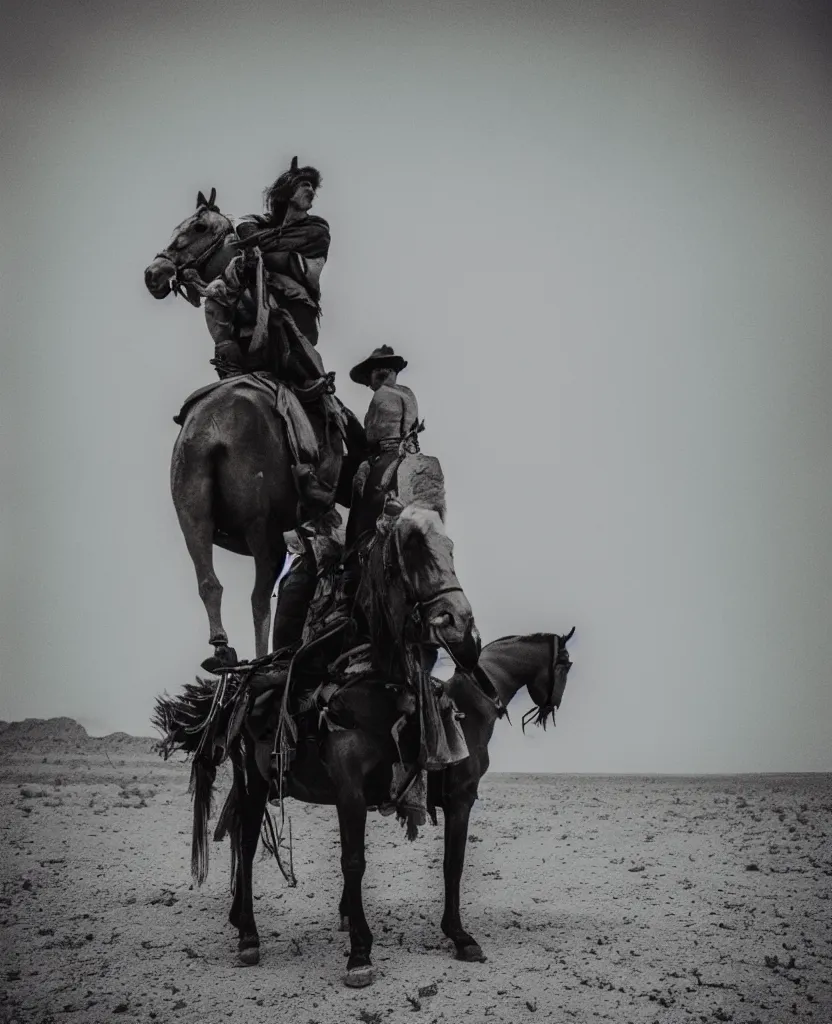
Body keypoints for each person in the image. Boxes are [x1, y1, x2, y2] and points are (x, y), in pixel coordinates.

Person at [203, 157, 330, 384]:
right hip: (255, 301)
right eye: (304, 184)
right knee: (216, 293)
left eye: (312, 186)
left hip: (296, 309)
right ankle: (228, 354)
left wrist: (255, 246)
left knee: (304, 375)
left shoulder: (317, 227)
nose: (310, 190)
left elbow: (274, 254)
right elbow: (242, 226)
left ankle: (313, 391)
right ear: (287, 190)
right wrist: (253, 247)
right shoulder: (259, 221)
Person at [337, 345, 420, 625]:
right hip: (410, 462)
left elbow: (371, 437)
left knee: (359, 524)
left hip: (384, 460)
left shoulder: (381, 397)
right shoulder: (408, 395)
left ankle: (349, 584)